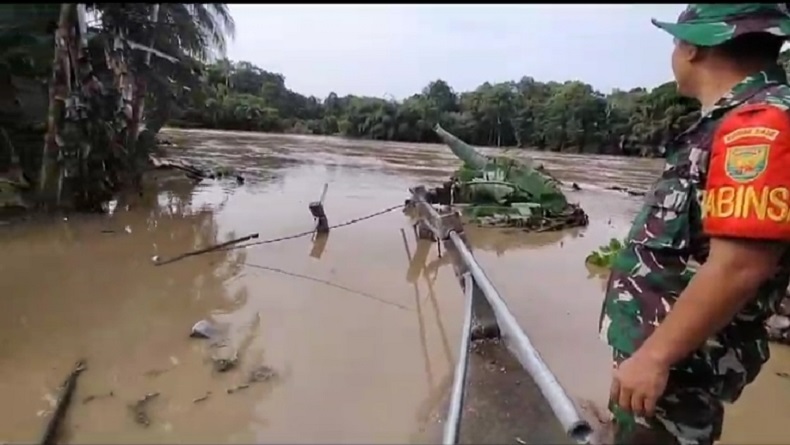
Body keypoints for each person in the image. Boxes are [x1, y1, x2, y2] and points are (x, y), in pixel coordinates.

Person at [599, 4, 790, 444]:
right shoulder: (726, 121)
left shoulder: (757, 124)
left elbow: (741, 264)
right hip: (666, 359)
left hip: (680, 365)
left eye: (675, 41)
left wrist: (655, 358)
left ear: (694, 48)